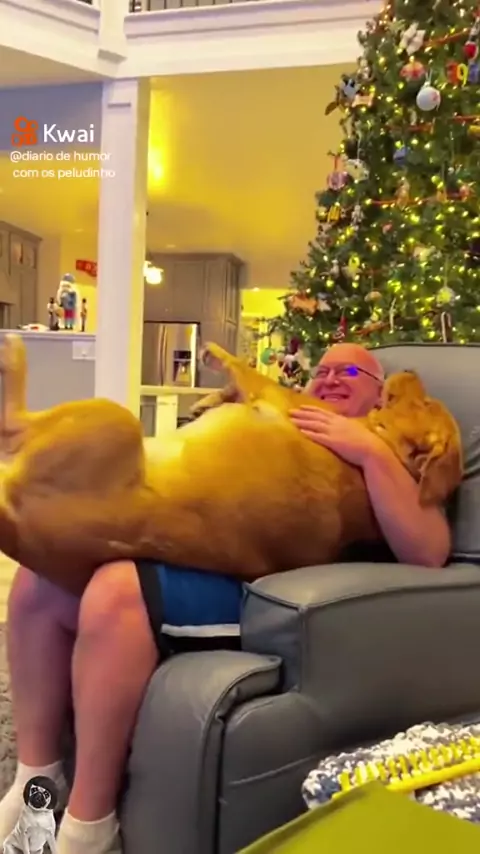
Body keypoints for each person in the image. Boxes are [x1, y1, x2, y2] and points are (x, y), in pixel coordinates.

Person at [0, 342, 451, 854]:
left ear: (380, 396)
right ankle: (37, 784)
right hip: (190, 545)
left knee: (117, 588)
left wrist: (368, 451)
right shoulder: (285, 419)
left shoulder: (393, 447)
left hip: (263, 589)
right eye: (321, 370)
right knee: (38, 584)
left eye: (348, 370)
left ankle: (89, 823)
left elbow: (430, 550)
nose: (329, 378)